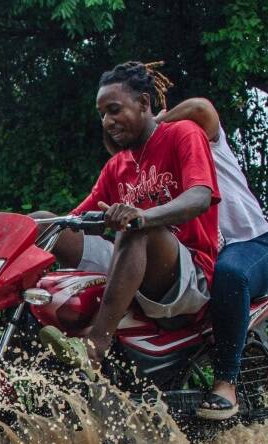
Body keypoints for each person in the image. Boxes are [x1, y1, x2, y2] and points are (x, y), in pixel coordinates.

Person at [41, 61, 221, 373]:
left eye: (114, 109)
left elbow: (200, 196)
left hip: (190, 275)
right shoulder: (117, 165)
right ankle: (11, 330)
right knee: (45, 222)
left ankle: (96, 346)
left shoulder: (182, 134)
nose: (107, 121)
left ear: (144, 103)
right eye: (102, 115)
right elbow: (78, 218)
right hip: (133, 262)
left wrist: (143, 216)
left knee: (136, 227)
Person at [154, 97, 268, 420]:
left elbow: (201, 108)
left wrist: (158, 124)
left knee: (231, 273)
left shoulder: (196, 139)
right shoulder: (145, 170)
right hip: (198, 257)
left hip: (252, 246)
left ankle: (226, 382)